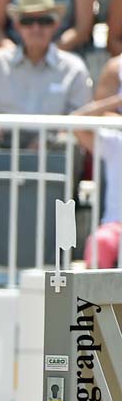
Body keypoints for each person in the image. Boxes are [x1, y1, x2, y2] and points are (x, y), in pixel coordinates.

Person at [0, 0, 92, 117]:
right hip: (0, 138)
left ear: (56, 25)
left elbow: (80, 124)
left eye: (44, 21)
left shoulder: (74, 68)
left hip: (53, 138)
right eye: (27, 21)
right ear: (17, 26)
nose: (36, 28)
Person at [73, 58, 122, 268]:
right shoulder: (117, 142)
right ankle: (93, 302)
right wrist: (117, 100)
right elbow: (77, 121)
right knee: (99, 242)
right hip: (115, 226)